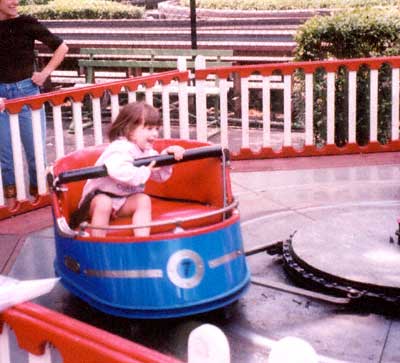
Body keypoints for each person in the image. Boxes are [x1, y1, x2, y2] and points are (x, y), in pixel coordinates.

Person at [71, 101, 185, 237]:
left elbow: (159, 175)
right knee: (104, 203)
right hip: (95, 202)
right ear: (130, 131)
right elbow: (119, 170)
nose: (155, 133)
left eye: (157, 128)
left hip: (122, 201)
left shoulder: (146, 151)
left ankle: (142, 240)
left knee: (143, 200)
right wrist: (145, 171)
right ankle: (98, 245)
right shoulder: (119, 148)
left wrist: (167, 157)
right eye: (149, 129)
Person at [0, 0, 69, 200]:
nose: (16, 2)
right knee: (5, 155)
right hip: (1, 99)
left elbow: (62, 47)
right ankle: (11, 203)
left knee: (36, 152)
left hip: (27, 93)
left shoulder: (27, 22)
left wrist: (45, 73)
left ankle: (39, 197)